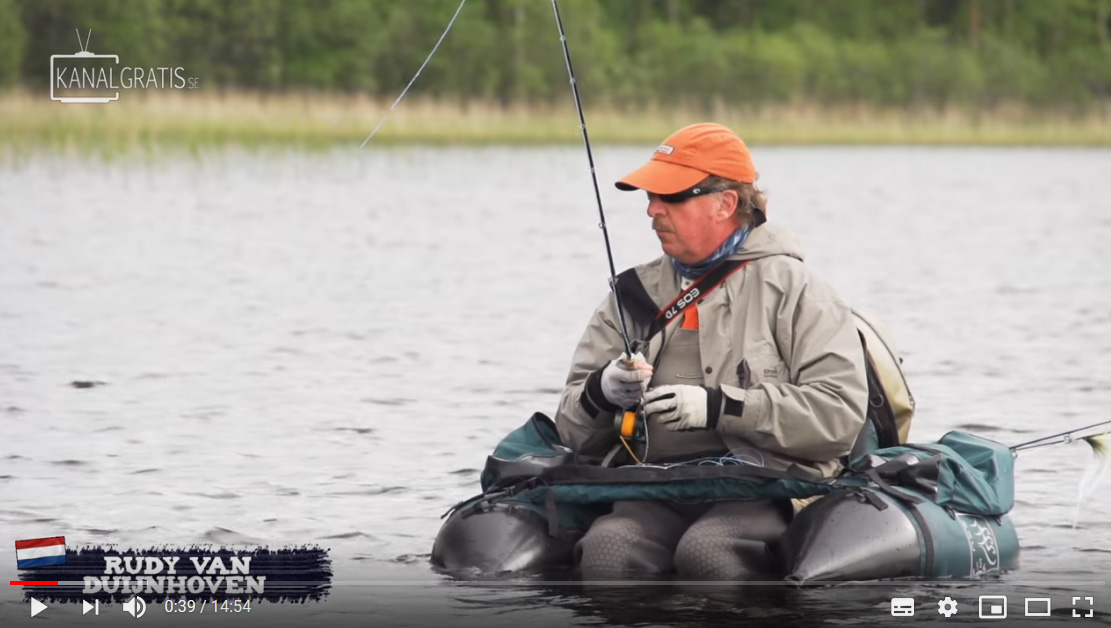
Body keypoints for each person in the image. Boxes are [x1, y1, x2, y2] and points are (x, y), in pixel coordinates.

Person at [553, 122, 869, 580]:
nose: (652, 210)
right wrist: (601, 392)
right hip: (656, 486)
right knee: (608, 552)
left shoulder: (798, 291)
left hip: (767, 487)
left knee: (709, 553)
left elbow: (838, 417)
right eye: (649, 197)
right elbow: (572, 431)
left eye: (672, 197)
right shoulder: (631, 296)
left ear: (726, 203)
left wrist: (721, 406)